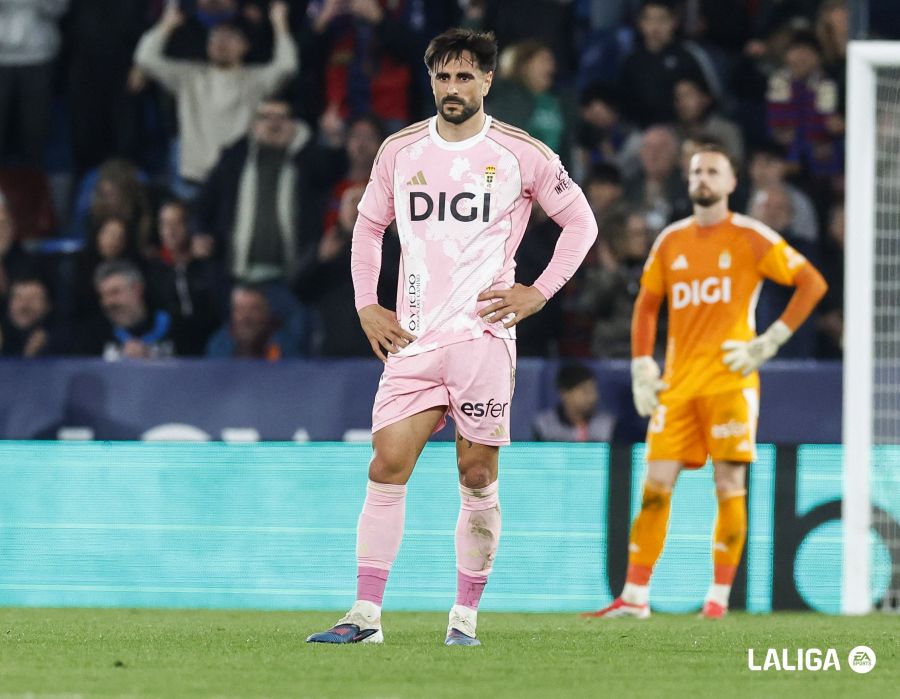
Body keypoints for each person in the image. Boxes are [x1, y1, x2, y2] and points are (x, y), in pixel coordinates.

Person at [307, 27, 597, 647]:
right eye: (443, 76)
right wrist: (366, 304)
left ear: (488, 81)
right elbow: (367, 229)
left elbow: (582, 223)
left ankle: (463, 617)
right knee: (386, 465)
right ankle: (364, 615)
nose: (453, 88)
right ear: (430, 79)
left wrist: (537, 293)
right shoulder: (400, 150)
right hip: (414, 339)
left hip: (483, 340)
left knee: (474, 474)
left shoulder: (523, 152)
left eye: (466, 77)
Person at [582, 143, 827, 620]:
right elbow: (647, 304)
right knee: (655, 485)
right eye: (696, 171)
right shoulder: (671, 240)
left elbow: (812, 282)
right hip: (678, 384)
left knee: (729, 483)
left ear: (732, 182)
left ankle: (717, 600)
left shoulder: (750, 237)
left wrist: (770, 341)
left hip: (730, 383)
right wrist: (641, 366)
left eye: (713, 171)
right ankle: (634, 598)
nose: (703, 179)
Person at [133, 0, 297, 185]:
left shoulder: (255, 80)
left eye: (229, 38)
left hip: (237, 177)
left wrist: (280, 25)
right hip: (194, 178)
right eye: (215, 37)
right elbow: (145, 59)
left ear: (245, 47)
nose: (220, 42)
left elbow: (287, 66)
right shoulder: (189, 76)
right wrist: (166, 25)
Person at [533, 362, 615, 442]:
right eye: (585, 391)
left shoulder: (608, 425)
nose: (593, 397)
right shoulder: (544, 425)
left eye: (594, 390)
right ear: (565, 393)